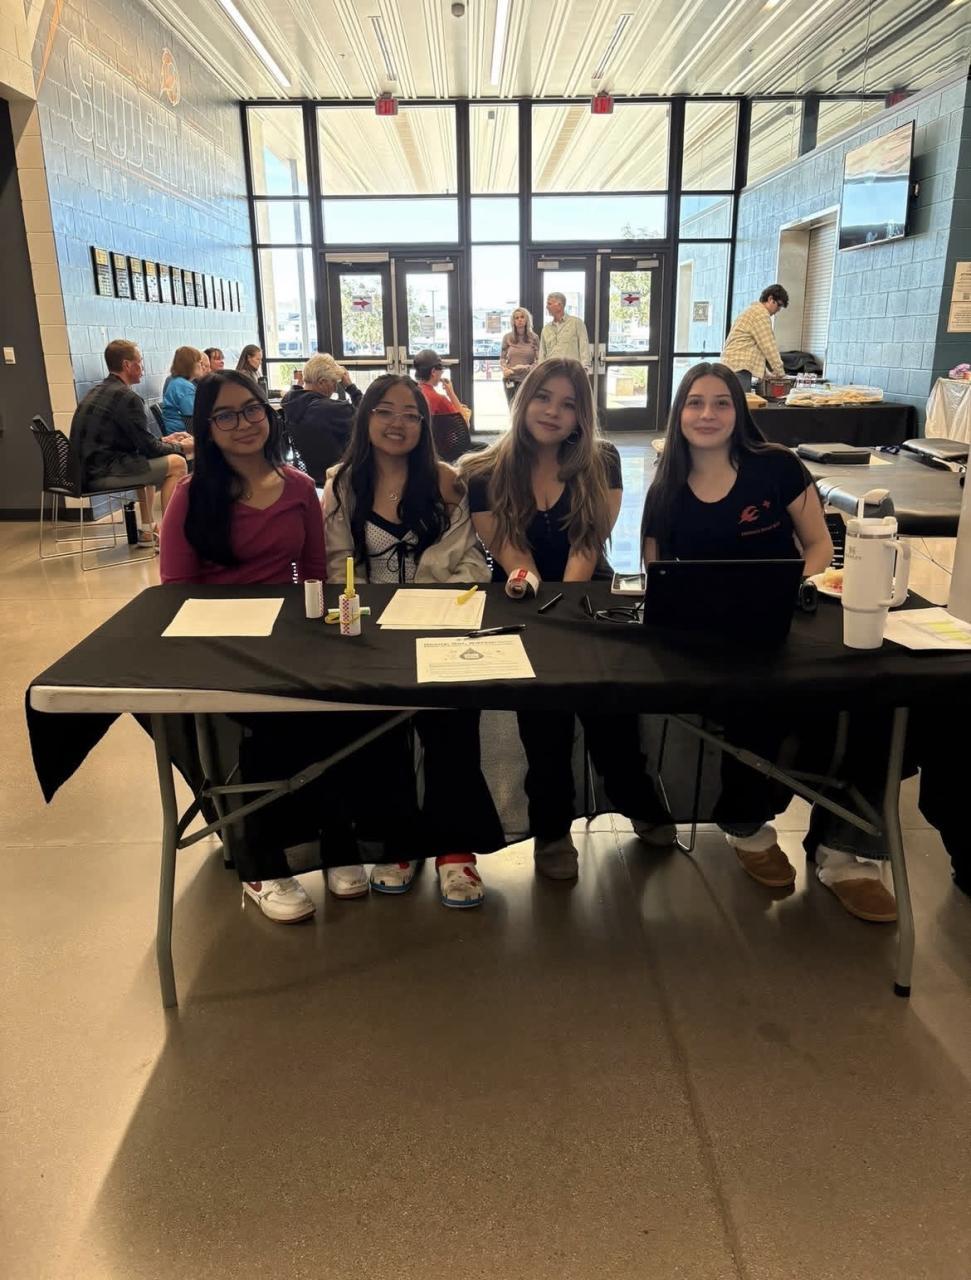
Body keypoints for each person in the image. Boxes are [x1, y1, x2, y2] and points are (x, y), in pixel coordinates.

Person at [641, 361, 896, 922]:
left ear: (739, 412)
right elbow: (657, 575)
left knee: (870, 700)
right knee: (754, 703)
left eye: (721, 403)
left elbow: (818, 547)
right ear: (679, 413)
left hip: (787, 623)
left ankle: (843, 851)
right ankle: (747, 825)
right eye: (695, 403)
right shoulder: (665, 488)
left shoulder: (777, 467)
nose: (707, 414)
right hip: (708, 643)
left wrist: (790, 589)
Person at [159, 371, 418, 924]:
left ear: (268, 413)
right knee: (277, 722)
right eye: (225, 415)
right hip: (222, 647)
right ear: (207, 427)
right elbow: (176, 591)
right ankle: (262, 864)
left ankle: (339, 846)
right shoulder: (190, 497)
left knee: (346, 706)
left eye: (252, 409)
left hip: (290, 639)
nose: (243, 423)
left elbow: (315, 573)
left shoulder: (300, 487)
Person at [461, 357, 675, 881]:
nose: (553, 412)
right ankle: (551, 828)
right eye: (543, 397)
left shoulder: (601, 460)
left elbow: (585, 550)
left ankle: (637, 800)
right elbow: (512, 556)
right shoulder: (484, 469)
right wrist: (541, 615)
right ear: (523, 399)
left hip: (589, 601)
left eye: (569, 404)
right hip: (522, 601)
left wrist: (564, 619)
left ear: (582, 415)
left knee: (612, 720)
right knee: (544, 730)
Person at [322, 374, 502, 907]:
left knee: (452, 726)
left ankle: (453, 848)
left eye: (411, 414)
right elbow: (337, 563)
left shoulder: (448, 482)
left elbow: (472, 561)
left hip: (438, 624)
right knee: (377, 733)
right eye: (385, 411)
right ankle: (397, 840)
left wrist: (434, 601)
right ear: (366, 418)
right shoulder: (342, 484)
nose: (397, 423)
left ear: (425, 425)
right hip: (371, 632)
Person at [70, 339, 190, 543]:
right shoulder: (127, 397)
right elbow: (149, 448)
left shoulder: (98, 390)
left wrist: (164, 440)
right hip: (100, 474)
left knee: (144, 460)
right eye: (140, 362)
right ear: (127, 365)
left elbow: (138, 442)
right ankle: (171, 537)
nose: (143, 367)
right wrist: (182, 446)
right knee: (177, 463)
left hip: (84, 471)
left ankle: (148, 530)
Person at [284, 354, 362, 482]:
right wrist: (350, 388)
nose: (335, 388)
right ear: (322, 382)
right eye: (334, 382)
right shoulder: (335, 410)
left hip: (307, 479)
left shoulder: (289, 404)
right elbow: (368, 418)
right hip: (338, 479)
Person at [721, 284, 788, 392]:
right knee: (741, 401)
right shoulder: (761, 314)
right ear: (770, 299)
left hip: (731, 366)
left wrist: (766, 373)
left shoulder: (751, 311)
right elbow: (769, 346)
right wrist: (781, 373)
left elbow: (756, 348)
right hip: (739, 369)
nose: (778, 310)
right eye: (779, 305)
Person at [413, 349, 472, 462]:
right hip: (445, 453)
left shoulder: (411, 394)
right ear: (433, 371)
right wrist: (451, 393)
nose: (442, 373)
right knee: (484, 447)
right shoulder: (439, 400)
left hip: (420, 452)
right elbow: (464, 426)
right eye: (441, 370)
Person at [537, 292, 590, 370]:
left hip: (571, 371)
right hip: (551, 372)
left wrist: (585, 369)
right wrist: (541, 371)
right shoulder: (546, 329)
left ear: (559, 305)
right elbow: (542, 354)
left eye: (549, 304)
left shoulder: (576, 323)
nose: (547, 307)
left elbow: (584, 348)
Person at [499, 307, 540, 405]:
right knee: (513, 409)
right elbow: (502, 358)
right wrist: (505, 369)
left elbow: (539, 360)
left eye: (522, 317)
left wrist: (525, 367)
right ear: (513, 321)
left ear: (527, 319)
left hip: (528, 380)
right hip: (511, 379)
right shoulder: (507, 337)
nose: (519, 320)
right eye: (516, 318)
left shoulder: (534, 337)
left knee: (526, 409)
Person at [161, 346, 204, 435]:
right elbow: (191, 418)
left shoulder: (175, 382)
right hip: (182, 435)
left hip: (176, 432)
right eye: (200, 362)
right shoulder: (184, 386)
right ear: (191, 365)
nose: (202, 366)